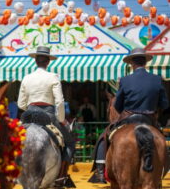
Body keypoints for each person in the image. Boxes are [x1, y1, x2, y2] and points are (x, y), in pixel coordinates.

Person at [89, 48, 169, 183]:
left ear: (132, 63)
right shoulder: (157, 79)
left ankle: (100, 171)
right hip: (150, 119)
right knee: (162, 142)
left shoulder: (125, 80)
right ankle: (163, 168)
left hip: (129, 118)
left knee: (103, 137)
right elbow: (165, 104)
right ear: (145, 62)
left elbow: (118, 105)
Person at [17, 46, 75, 187]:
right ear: (48, 62)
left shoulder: (26, 78)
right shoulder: (53, 77)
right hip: (48, 115)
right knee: (69, 142)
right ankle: (62, 177)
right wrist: (61, 119)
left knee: (11, 141)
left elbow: (20, 103)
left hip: (28, 114)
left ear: (36, 61)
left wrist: (30, 109)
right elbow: (60, 101)